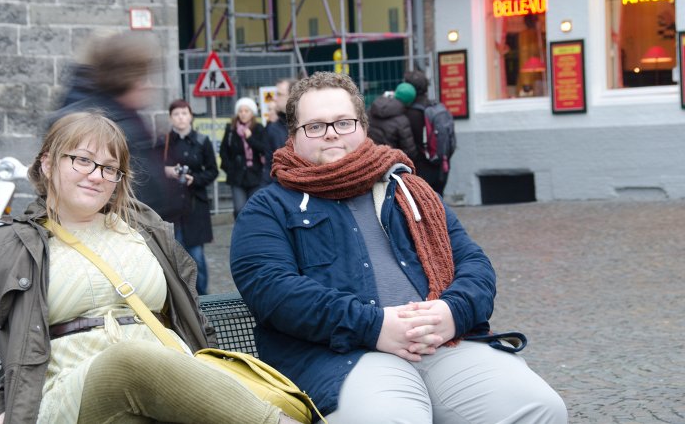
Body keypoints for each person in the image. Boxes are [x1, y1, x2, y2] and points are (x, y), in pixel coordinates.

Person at [0, 112, 298, 424]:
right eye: (82, 160)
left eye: (109, 167)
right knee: (128, 360)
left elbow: (191, 318)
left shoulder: (147, 231)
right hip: (66, 399)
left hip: (168, 386)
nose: (97, 175)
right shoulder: (1, 246)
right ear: (47, 164)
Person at [230, 72, 567, 423]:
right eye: (314, 126)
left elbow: (473, 263)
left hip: (443, 343)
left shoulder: (408, 189)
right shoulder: (268, 208)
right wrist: (374, 326)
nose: (331, 133)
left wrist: (453, 312)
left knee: (540, 408)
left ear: (363, 127)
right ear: (293, 136)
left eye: (343, 122)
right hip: (341, 354)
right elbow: (273, 291)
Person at [53, 30, 170, 216]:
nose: (150, 85)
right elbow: (146, 197)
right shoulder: (114, 127)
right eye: (144, 76)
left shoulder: (121, 117)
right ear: (127, 79)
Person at [159, 99, 219, 295]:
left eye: (184, 113)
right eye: (176, 114)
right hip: (171, 207)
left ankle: (203, 299)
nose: (180, 118)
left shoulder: (202, 141)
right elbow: (152, 171)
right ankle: (181, 298)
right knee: (174, 255)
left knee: (196, 256)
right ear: (170, 118)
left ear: (191, 116)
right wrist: (167, 172)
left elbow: (212, 171)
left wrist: (196, 179)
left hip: (195, 206)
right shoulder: (164, 142)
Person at [404, 68, 452, 196]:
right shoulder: (436, 108)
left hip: (421, 170)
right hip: (441, 166)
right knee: (438, 202)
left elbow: (408, 146)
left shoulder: (411, 113)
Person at [219, 97, 265, 218]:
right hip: (237, 176)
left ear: (252, 113)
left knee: (255, 209)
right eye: (240, 111)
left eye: (246, 111)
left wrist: (250, 138)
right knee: (239, 209)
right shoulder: (231, 129)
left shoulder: (258, 128)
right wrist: (229, 168)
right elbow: (224, 150)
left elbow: (264, 149)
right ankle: (240, 229)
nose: (243, 114)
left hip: (255, 175)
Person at [367, 82, 419, 160]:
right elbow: (409, 151)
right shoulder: (402, 121)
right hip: (388, 161)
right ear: (409, 102)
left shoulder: (372, 108)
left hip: (369, 156)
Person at [262, 78, 295, 186]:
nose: (275, 98)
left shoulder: (306, 124)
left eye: (279, 94)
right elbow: (269, 165)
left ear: (292, 96)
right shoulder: (274, 127)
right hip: (278, 187)